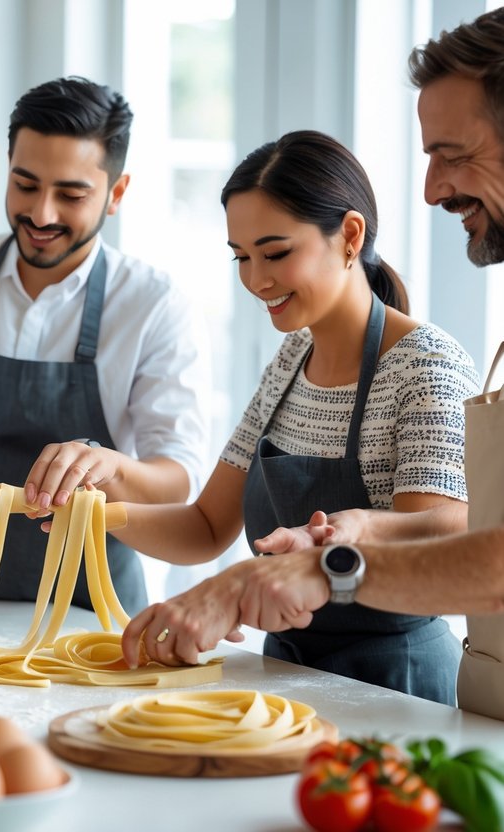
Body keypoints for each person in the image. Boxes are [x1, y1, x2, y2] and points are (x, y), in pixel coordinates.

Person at [120, 8, 504, 719]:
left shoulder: (425, 364)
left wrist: (321, 564)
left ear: (348, 235)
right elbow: (208, 524)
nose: (255, 279)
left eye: (275, 252)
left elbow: (463, 542)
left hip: (395, 690)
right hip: (290, 682)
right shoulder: (289, 361)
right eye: (241, 258)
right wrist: (91, 510)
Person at [0, 77, 210, 615]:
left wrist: (109, 468)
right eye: (25, 185)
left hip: (98, 610)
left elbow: (176, 483)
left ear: (116, 194)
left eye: (70, 195)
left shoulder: (154, 306)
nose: (41, 214)